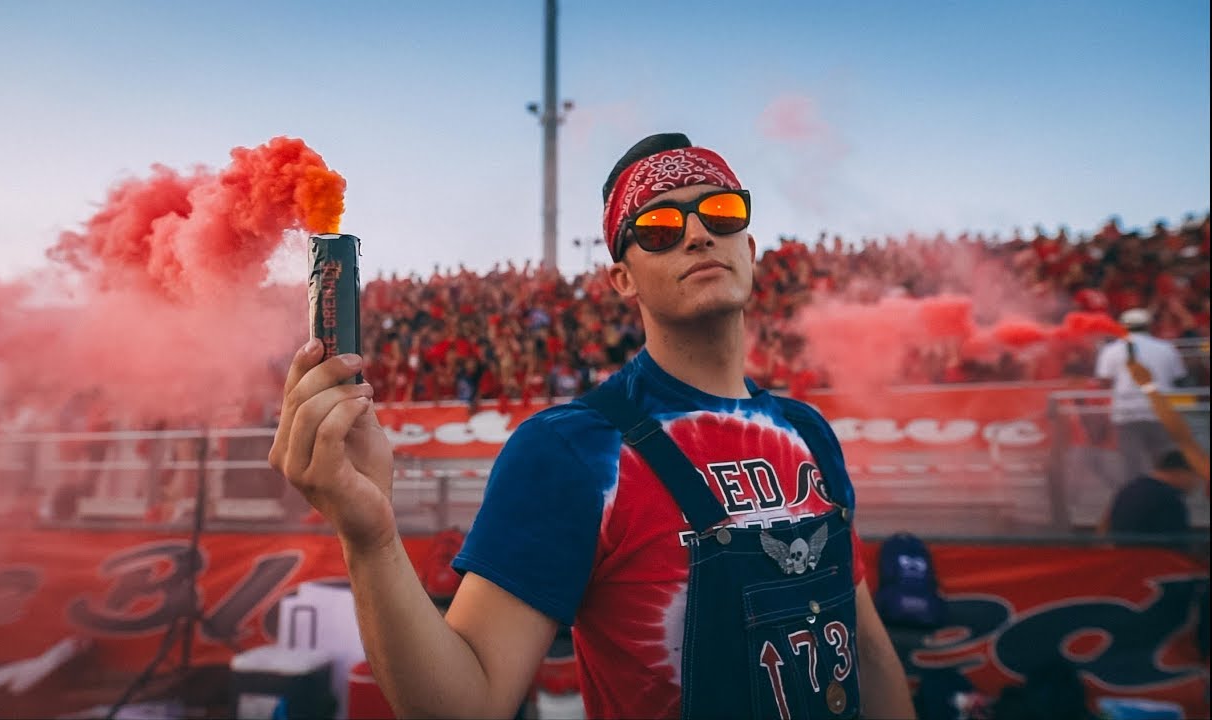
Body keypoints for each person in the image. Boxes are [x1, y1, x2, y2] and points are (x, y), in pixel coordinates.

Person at [269, 132, 915, 718]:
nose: (697, 234)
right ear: (621, 280)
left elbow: (870, 656)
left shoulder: (810, 434)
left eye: (719, 213)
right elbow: (467, 703)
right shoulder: (570, 453)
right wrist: (370, 537)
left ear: (749, 248)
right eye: (660, 227)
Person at [1094, 307, 1188, 486]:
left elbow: (1104, 382)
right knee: (1163, 459)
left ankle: (1136, 497)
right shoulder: (1166, 348)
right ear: (1149, 326)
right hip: (1159, 412)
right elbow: (1179, 378)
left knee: (1131, 464)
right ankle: (1165, 495)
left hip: (1126, 414)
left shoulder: (1111, 350)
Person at [1101, 448, 1201, 537]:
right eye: (1196, 476)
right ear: (1181, 472)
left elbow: (1104, 526)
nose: (1196, 483)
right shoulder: (1169, 499)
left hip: (1121, 555)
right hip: (1153, 557)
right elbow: (1177, 547)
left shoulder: (1129, 488)